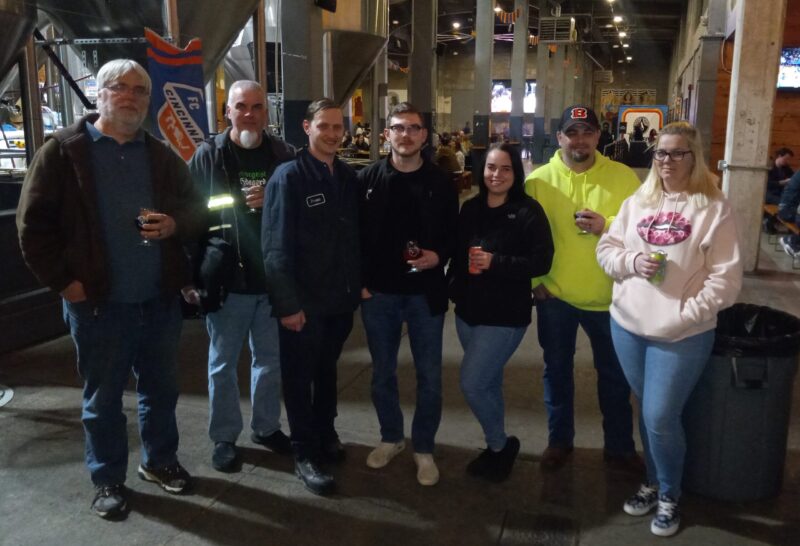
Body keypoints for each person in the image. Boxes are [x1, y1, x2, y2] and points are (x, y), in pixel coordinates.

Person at [16, 59, 205, 518]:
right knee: (102, 400)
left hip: (157, 302)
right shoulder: (64, 152)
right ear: (97, 93)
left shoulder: (160, 155)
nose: (130, 97)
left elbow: (197, 208)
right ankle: (107, 479)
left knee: (160, 391)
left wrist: (176, 223)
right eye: (119, 87)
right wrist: (65, 283)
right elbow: (32, 226)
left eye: (139, 90)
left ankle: (159, 462)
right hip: (99, 305)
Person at [596, 121, 743, 537]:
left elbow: (726, 280)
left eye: (677, 153)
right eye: (661, 153)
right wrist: (632, 263)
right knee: (647, 409)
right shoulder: (639, 201)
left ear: (694, 158)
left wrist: (685, 314)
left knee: (660, 415)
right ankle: (653, 481)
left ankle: (669, 493)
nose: (667, 161)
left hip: (682, 334)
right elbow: (608, 249)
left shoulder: (714, 208)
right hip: (627, 325)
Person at [524, 105, 642, 474]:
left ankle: (619, 448)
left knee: (615, 378)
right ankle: (559, 441)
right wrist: (535, 282)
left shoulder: (624, 178)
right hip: (555, 297)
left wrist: (606, 225)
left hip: (610, 298)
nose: (580, 139)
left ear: (598, 136)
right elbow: (520, 238)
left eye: (587, 132)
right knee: (557, 372)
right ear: (559, 137)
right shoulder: (538, 182)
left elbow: (644, 232)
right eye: (571, 132)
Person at [188, 80, 294, 473]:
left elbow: (298, 215)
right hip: (227, 281)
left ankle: (266, 428)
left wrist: (275, 198)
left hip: (270, 282)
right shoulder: (208, 156)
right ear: (227, 112)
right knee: (222, 364)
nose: (249, 113)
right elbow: (190, 215)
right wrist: (191, 276)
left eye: (256, 107)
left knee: (269, 362)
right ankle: (224, 437)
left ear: (267, 113)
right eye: (241, 106)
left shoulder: (284, 155)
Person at [262, 98, 360, 496]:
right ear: (307, 128)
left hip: (338, 301)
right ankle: (304, 452)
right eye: (325, 127)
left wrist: (357, 286)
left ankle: (326, 432)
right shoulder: (288, 177)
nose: (333, 135)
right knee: (300, 378)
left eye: (339, 128)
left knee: (327, 370)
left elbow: (355, 240)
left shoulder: (347, 177)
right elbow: (274, 247)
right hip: (303, 304)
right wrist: (288, 305)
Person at [358, 102, 459, 486]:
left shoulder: (440, 183)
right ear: (386, 134)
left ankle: (424, 447)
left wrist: (441, 256)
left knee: (429, 375)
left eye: (414, 128)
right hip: (380, 294)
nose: (406, 134)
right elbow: (353, 237)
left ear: (424, 136)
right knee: (382, 372)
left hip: (424, 295)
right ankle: (390, 437)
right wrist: (361, 282)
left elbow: (455, 234)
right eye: (398, 127)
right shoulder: (367, 179)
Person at [449, 143, 554, 481]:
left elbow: (541, 261)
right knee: (488, 382)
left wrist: (496, 262)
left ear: (516, 173)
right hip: (468, 313)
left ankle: (500, 444)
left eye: (505, 169)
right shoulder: (471, 209)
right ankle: (497, 446)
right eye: (491, 168)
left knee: (473, 382)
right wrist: (454, 286)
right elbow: (456, 252)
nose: (497, 175)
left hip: (505, 316)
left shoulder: (528, 211)